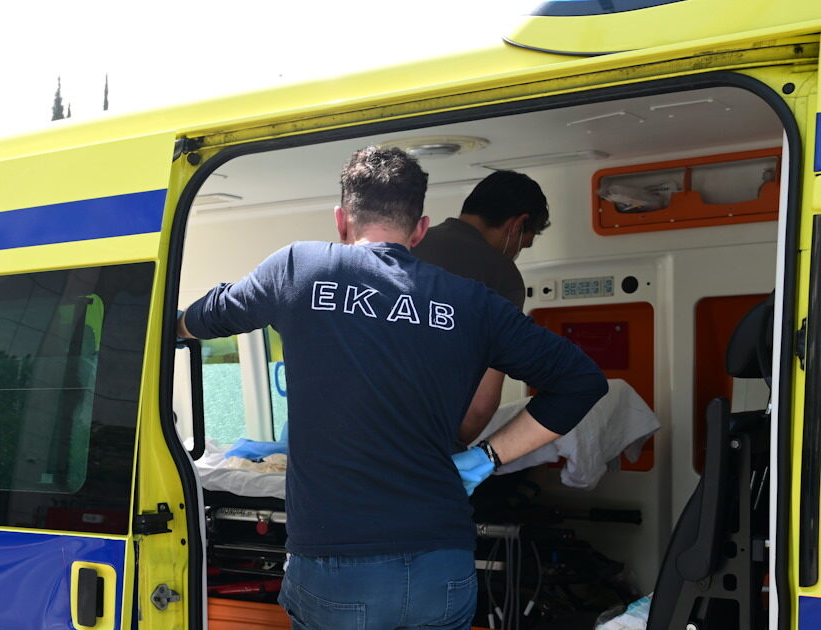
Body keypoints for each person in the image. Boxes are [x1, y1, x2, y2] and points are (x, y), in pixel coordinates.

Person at [177, 147, 605, 630]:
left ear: (341, 220)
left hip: (338, 567)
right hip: (442, 562)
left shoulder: (298, 268)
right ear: (419, 230)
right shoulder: (474, 302)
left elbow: (205, 317)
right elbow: (581, 381)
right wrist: (487, 457)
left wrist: (169, 327)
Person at [411, 170, 551, 447]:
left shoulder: (407, 243)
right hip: (426, 437)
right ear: (517, 224)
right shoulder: (502, 276)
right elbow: (480, 405)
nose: (515, 253)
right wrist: (451, 450)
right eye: (523, 245)